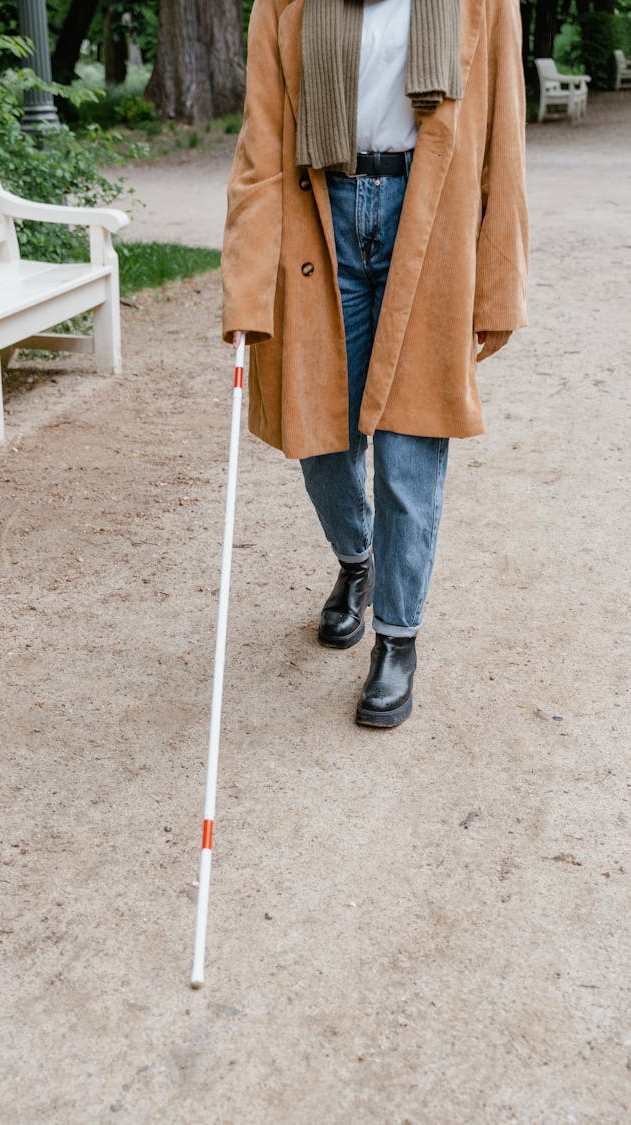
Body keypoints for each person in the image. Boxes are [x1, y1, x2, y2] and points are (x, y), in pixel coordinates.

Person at [221, 0, 528, 727]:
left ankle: (396, 637)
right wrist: (244, 288)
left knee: (408, 446)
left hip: (427, 217)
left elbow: (503, 139)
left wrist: (497, 288)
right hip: (320, 211)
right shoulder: (285, 6)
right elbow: (261, 146)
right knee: (320, 437)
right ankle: (355, 558)